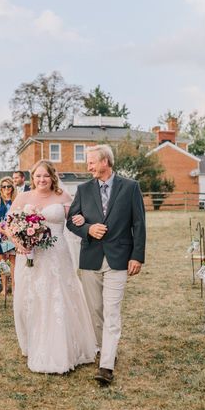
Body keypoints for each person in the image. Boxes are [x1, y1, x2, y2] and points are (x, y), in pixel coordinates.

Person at [66, 145, 147, 385]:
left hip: (119, 259)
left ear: (105, 162)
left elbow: (139, 224)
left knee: (112, 311)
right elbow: (72, 221)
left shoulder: (130, 187)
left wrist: (137, 256)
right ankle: (104, 347)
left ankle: (106, 365)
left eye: (91, 161)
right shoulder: (83, 189)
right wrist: (88, 228)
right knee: (96, 310)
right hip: (91, 258)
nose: (88, 166)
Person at [12, 160, 97, 374]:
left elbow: (78, 219)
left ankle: (63, 346)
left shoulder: (63, 197)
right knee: (31, 298)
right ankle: (33, 343)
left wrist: (83, 220)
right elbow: (9, 225)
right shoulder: (23, 197)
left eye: (46, 176)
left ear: (52, 177)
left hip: (57, 255)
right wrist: (20, 243)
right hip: (31, 255)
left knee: (58, 297)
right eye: (38, 176)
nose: (42, 180)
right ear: (32, 178)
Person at [0, 176, 16, 296]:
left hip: (12, 233)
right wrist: (1, 229)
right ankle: (4, 288)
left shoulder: (16, 199)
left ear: (12, 187)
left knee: (13, 261)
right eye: (4, 186)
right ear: (1, 188)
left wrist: (11, 230)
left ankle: (14, 287)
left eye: (9, 186)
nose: (6, 188)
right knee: (2, 261)